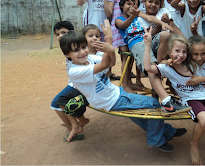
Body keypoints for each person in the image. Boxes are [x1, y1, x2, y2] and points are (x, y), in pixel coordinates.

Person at [59, 20, 187, 151]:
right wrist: (109, 42)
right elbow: (104, 65)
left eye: (83, 47)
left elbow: (111, 63)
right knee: (153, 103)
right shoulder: (74, 71)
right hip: (109, 101)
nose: (82, 52)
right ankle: (156, 140)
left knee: (136, 113)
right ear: (67, 55)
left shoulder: (89, 59)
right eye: (76, 50)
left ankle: (167, 132)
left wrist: (110, 49)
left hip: (114, 93)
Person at [144, 30, 205, 165]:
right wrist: (148, 44)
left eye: (184, 52)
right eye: (177, 51)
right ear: (170, 51)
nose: (181, 55)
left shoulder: (192, 65)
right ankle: (194, 144)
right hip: (190, 99)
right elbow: (148, 68)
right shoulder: (167, 68)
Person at [115, 0, 191, 115]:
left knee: (165, 34)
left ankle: (160, 63)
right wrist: (133, 16)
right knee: (151, 65)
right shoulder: (120, 19)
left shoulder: (139, 16)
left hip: (149, 38)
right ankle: (167, 102)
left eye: (134, 4)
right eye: (128, 3)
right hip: (136, 43)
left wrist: (162, 24)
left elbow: (151, 19)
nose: (131, 6)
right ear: (121, 6)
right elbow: (124, 25)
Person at [76, 0, 120, 81]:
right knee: (90, 51)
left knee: (106, 50)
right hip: (92, 26)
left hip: (106, 26)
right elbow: (80, 2)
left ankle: (107, 75)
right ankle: (91, 75)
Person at [50, 21, 89, 142]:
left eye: (63, 33)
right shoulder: (67, 49)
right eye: (57, 34)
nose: (60, 36)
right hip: (75, 83)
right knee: (60, 101)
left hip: (80, 84)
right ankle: (77, 121)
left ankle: (73, 127)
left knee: (56, 104)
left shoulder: (77, 50)